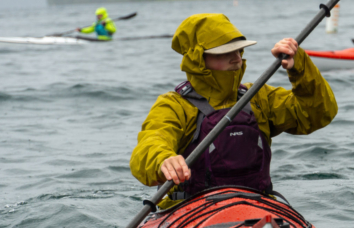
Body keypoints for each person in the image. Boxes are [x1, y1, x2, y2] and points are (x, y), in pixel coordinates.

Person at [129, 13, 338, 210]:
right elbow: (150, 143)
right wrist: (163, 159)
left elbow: (317, 114)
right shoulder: (174, 106)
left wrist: (299, 67)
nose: (236, 58)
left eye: (238, 50)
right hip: (191, 212)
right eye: (225, 53)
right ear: (198, 60)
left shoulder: (258, 96)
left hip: (256, 206)